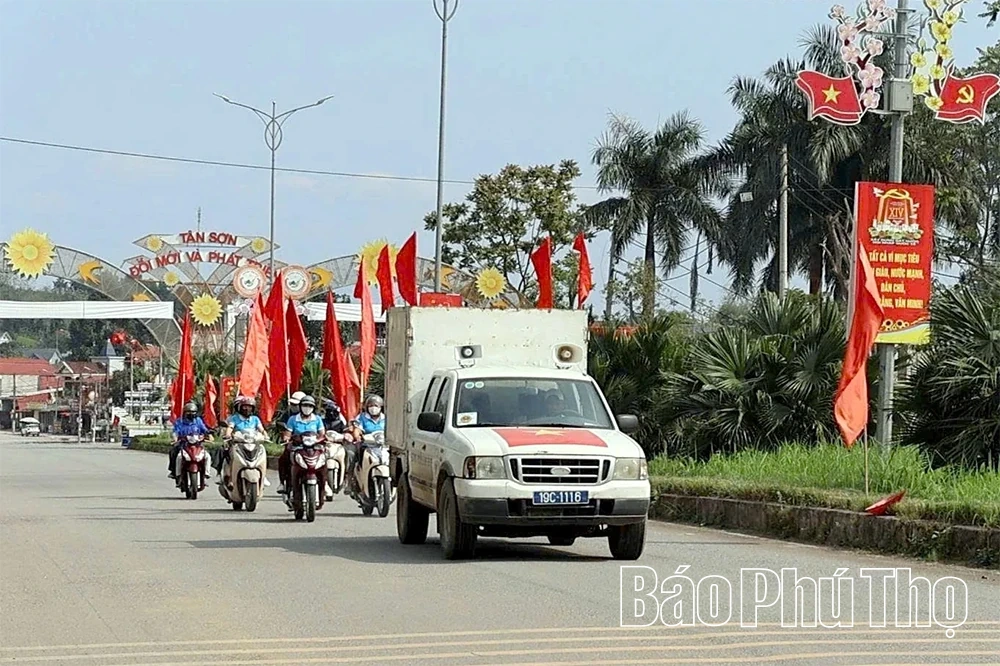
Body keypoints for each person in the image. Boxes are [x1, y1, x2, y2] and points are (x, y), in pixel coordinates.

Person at [215, 396, 270, 487]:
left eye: (250, 407)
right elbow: (230, 427)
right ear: (240, 407)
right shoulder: (234, 418)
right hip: (238, 444)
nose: (247, 409)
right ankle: (228, 477)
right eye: (245, 406)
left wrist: (265, 435)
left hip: (253, 443)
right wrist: (228, 434)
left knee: (263, 453)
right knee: (228, 453)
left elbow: (261, 429)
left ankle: (263, 476)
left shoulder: (255, 419)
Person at [277, 394, 325, 496]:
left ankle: (325, 483)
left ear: (313, 408)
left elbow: (322, 434)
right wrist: (286, 438)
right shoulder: (293, 419)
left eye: (310, 406)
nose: (307, 408)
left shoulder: (317, 419)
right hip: (297, 446)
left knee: (325, 459)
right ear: (300, 407)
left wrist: (321, 439)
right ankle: (283, 482)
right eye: (305, 405)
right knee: (283, 458)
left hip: (314, 447)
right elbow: (288, 434)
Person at [344, 394, 386, 491]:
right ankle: (349, 481)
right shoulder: (362, 417)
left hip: (382, 446)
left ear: (381, 407)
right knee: (351, 455)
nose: (373, 408)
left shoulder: (385, 418)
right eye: (371, 406)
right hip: (366, 445)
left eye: (376, 406)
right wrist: (358, 436)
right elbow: (357, 429)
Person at [168, 402, 213, 486]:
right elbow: (175, 431)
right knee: (176, 454)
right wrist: (175, 437)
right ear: (185, 412)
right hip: (183, 445)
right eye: (189, 412)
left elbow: (204, 429)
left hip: (197, 445)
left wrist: (209, 434)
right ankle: (176, 474)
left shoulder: (198, 421)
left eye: (193, 412)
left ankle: (206, 474)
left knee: (207, 456)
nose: (191, 414)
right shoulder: (180, 421)